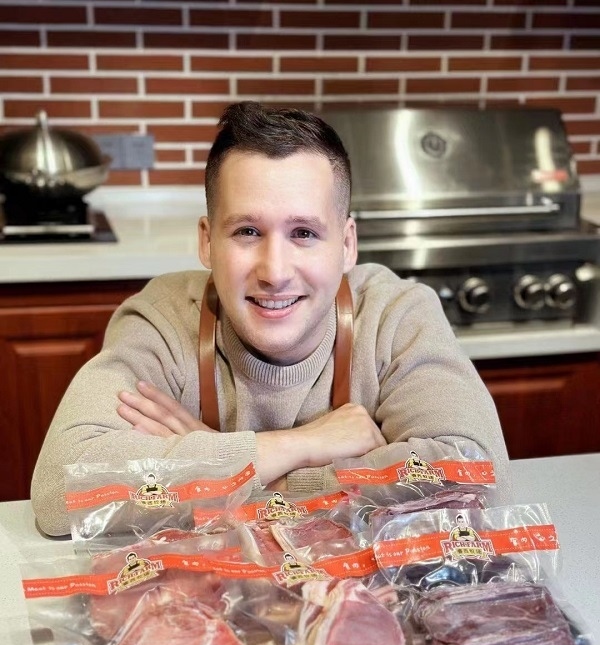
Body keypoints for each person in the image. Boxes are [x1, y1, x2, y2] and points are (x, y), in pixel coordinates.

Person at [31, 101, 510, 537]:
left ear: (347, 244)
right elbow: (58, 492)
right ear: (207, 242)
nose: (275, 272)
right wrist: (300, 445)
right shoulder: (163, 320)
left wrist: (231, 469)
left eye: (303, 233)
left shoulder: (397, 314)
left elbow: (476, 475)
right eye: (247, 231)